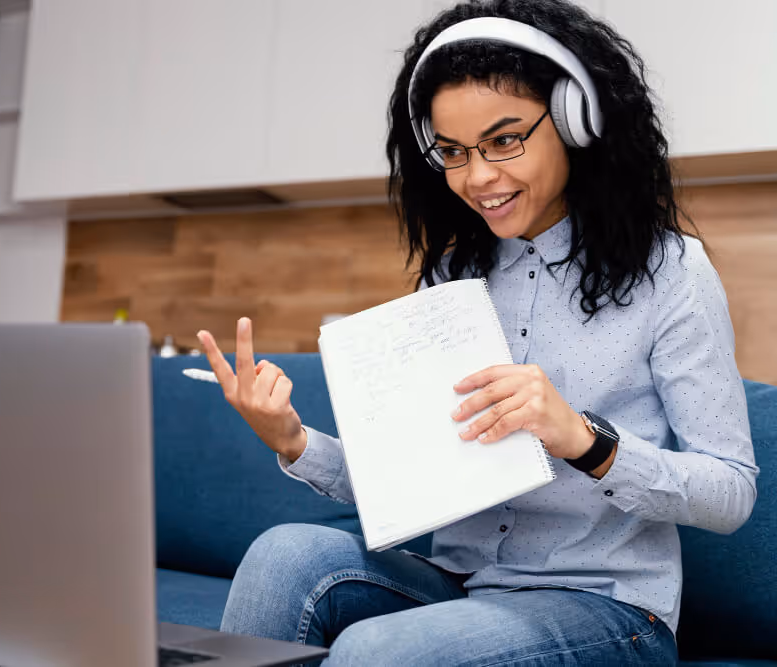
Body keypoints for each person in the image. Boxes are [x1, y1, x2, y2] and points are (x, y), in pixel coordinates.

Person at [195, 0, 759, 663]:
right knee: (283, 554)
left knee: (380, 650)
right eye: (454, 152)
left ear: (577, 123)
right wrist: (290, 439)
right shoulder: (453, 276)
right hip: (460, 586)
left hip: (607, 608)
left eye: (505, 139)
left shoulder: (672, 272)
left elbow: (732, 491)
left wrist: (585, 438)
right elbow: (409, 482)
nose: (478, 177)